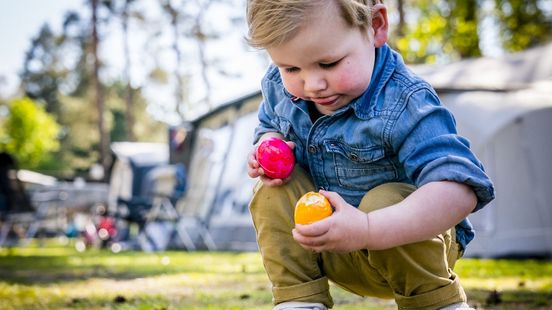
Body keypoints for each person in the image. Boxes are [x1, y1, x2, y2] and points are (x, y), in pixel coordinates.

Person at [245, 0, 495, 309]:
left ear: (375, 26)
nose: (313, 85)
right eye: (291, 68)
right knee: (273, 188)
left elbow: (460, 189)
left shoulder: (405, 101)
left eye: (329, 63)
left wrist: (367, 229)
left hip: (413, 253)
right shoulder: (279, 88)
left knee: (387, 197)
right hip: (330, 250)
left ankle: (438, 303)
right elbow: (270, 125)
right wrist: (267, 146)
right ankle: (299, 299)